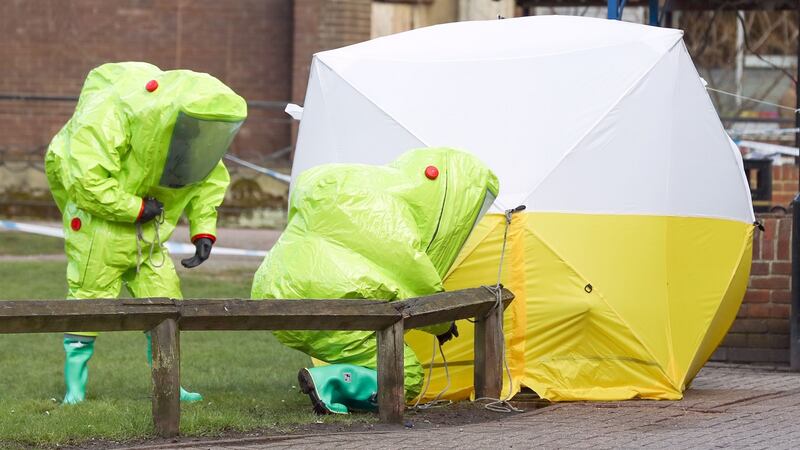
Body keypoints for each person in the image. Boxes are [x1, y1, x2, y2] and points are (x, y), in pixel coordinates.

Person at [44, 62, 247, 404]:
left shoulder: (188, 130)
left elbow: (207, 178)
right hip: (99, 235)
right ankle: (75, 390)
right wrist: (135, 208)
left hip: (149, 241)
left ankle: (169, 384)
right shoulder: (111, 115)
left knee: (166, 306)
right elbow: (86, 180)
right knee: (87, 307)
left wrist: (203, 231)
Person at [251, 148, 498, 414]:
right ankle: (330, 382)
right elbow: (414, 281)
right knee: (406, 374)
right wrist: (443, 325)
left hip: (273, 290)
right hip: (333, 299)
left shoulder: (362, 188)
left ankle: (342, 389)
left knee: (372, 355)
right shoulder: (393, 216)